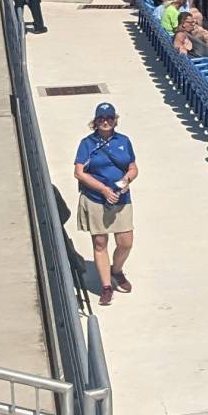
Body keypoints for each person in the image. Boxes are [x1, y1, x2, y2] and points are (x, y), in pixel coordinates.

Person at [73, 101, 137, 298]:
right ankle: (106, 286)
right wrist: (103, 190)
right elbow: (79, 172)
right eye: (101, 118)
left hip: (121, 199)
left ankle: (116, 270)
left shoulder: (124, 141)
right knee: (100, 243)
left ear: (114, 120)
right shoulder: (87, 144)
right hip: (96, 199)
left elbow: (133, 167)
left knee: (125, 242)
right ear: (96, 121)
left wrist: (127, 179)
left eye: (109, 118)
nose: (105, 122)